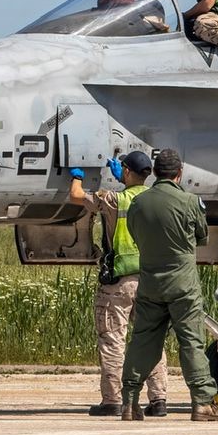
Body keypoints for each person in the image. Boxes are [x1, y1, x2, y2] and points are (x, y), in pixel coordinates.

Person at [120, 148, 218, 422]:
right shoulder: (190, 202)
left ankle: (130, 401)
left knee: (143, 341)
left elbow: (135, 234)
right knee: (191, 341)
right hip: (183, 284)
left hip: (150, 282)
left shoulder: (139, 204)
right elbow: (202, 237)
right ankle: (202, 403)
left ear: (155, 173)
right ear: (179, 174)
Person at [68, 152, 167, 417]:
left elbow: (76, 196)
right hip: (150, 281)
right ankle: (158, 399)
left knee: (113, 340)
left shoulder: (114, 200)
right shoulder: (155, 200)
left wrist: (77, 176)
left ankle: (112, 400)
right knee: (151, 340)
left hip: (119, 282)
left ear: (125, 171)